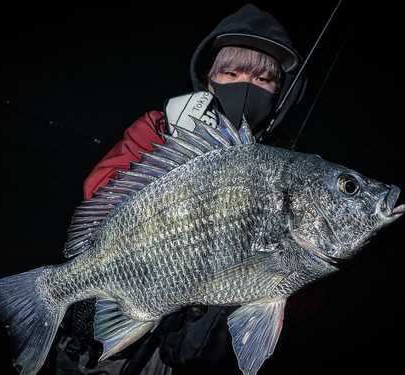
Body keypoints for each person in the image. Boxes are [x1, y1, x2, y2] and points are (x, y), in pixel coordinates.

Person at [56, 4, 304, 375]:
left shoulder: (287, 172)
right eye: (231, 73)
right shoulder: (161, 127)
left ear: (281, 94)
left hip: (176, 360)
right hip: (112, 334)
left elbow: (303, 295)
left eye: (263, 80)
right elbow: (99, 191)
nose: (246, 87)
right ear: (208, 80)